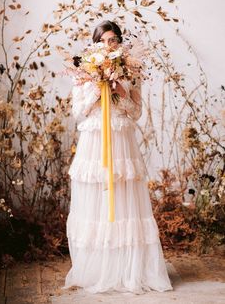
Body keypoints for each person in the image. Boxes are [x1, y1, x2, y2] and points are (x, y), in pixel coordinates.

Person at [63, 20, 173, 294]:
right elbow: (78, 111)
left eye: (112, 40)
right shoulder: (83, 73)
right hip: (94, 140)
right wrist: (97, 87)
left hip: (121, 142)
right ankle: (99, 268)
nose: (107, 45)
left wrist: (119, 90)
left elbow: (135, 112)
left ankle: (128, 268)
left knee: (123, 199)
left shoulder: (131, 71)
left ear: (119, 43)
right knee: (96, 201)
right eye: (102, 40)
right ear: (95, 44)